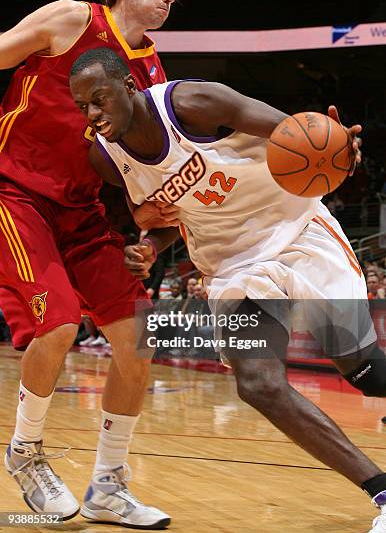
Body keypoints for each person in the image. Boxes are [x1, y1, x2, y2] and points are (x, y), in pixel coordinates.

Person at [69, 46, 386, 532]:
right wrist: (151, 247)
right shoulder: (106, 156)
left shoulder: (194, 102)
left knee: (364, 371)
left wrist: (338, 144)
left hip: (298, 229)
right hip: (233, 266)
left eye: (99, 99)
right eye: (82, 107)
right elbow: (167, 216)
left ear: (128, 87)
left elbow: (298, 133)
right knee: (258, 383)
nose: (92, 115)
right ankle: (381, 491)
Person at [0, 0, 188, 527]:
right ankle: (25, 453)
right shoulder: (70, 20)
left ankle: (108, 486)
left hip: (82, 211)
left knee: (138, 338)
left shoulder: (152, 72)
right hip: (16, 192)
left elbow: (146, 165)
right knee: (55, 325)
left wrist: (149, 236)